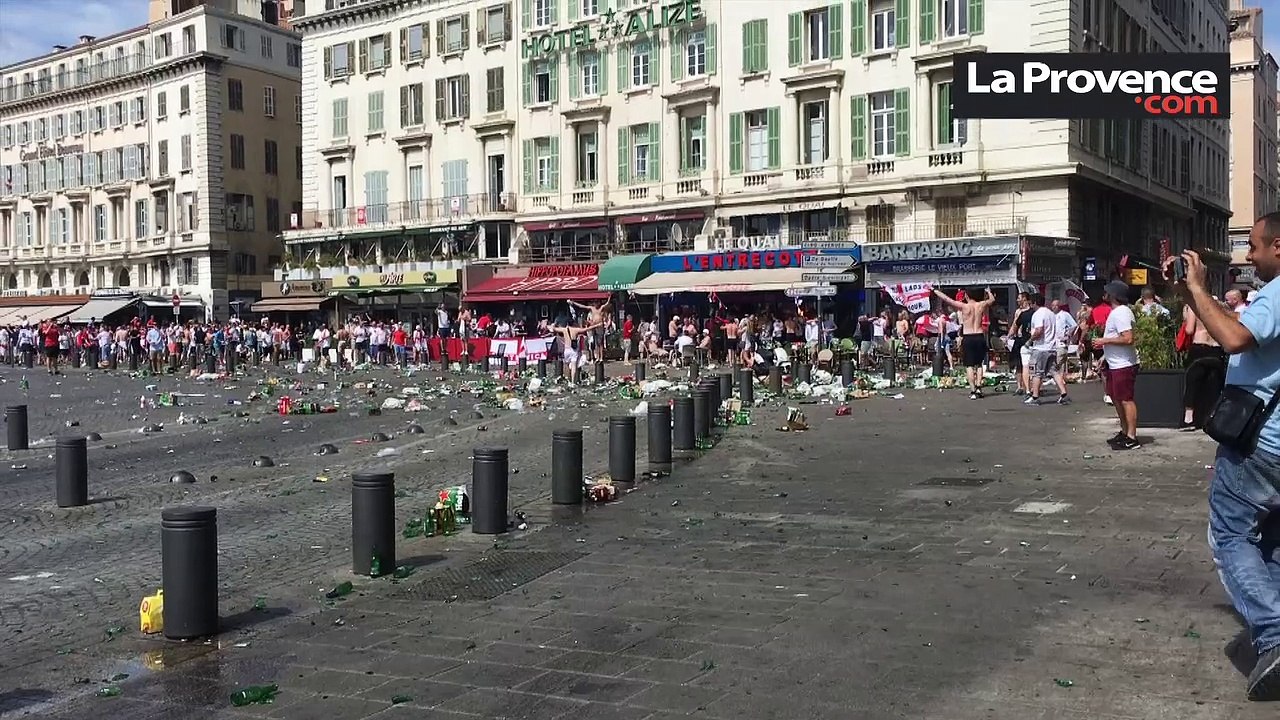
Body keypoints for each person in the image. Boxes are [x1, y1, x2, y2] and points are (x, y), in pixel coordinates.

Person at [1165, 213, 1280, 700]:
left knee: (1230, 532)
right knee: (1269, 540)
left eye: (1255, 246)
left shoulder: (1278, 293)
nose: (1250, 256)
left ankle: (1274, 632)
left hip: (1262, 443)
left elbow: (1234, 338)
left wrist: (1198, 286)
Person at [1092, 281, 1139, 449]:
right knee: (1116, 397)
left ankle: (1132, 436)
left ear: (1113, 295)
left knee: (1126, 399)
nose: (1103, 294)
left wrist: (1104, 340)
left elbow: (1128, 338)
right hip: (1114, 363)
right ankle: (1124, 430)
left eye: (1107, 292)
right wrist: (1105, 355)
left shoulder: (1121, 313)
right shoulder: (1117, 312)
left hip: (1123, 364)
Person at [933, 286, 996, 399]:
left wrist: (936, 291)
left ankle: (973, 391)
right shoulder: (981, 305)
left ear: (967, 295)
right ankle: (978, 387)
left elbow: (948, 300)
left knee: (969, 365)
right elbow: (992, 300)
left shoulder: (964, 306)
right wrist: (988, 291)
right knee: (979, 364)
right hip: (979, 335)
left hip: (968, 336)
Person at [1178, 302, 1224, 431]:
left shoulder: (1195, 306)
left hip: (1200, 345)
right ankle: (1210, 418)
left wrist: (1186, 317)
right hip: (1216, 347)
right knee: (1213, 384)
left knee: (1193, 382)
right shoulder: (1218, 305)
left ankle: (1189, 418)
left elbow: (1189, 329)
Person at [1025, 293, 1070, 406]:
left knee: (1037, 372)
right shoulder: (1051, 313)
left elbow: (1039, 330)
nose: (1030, 305)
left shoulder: (1038, 314)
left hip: (1041, 348)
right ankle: (1064, 393)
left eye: (1031, 303)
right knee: (1054, 371)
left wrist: (1030, 340)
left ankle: (1035, 397)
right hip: (1052, 347)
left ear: (1034, 303)